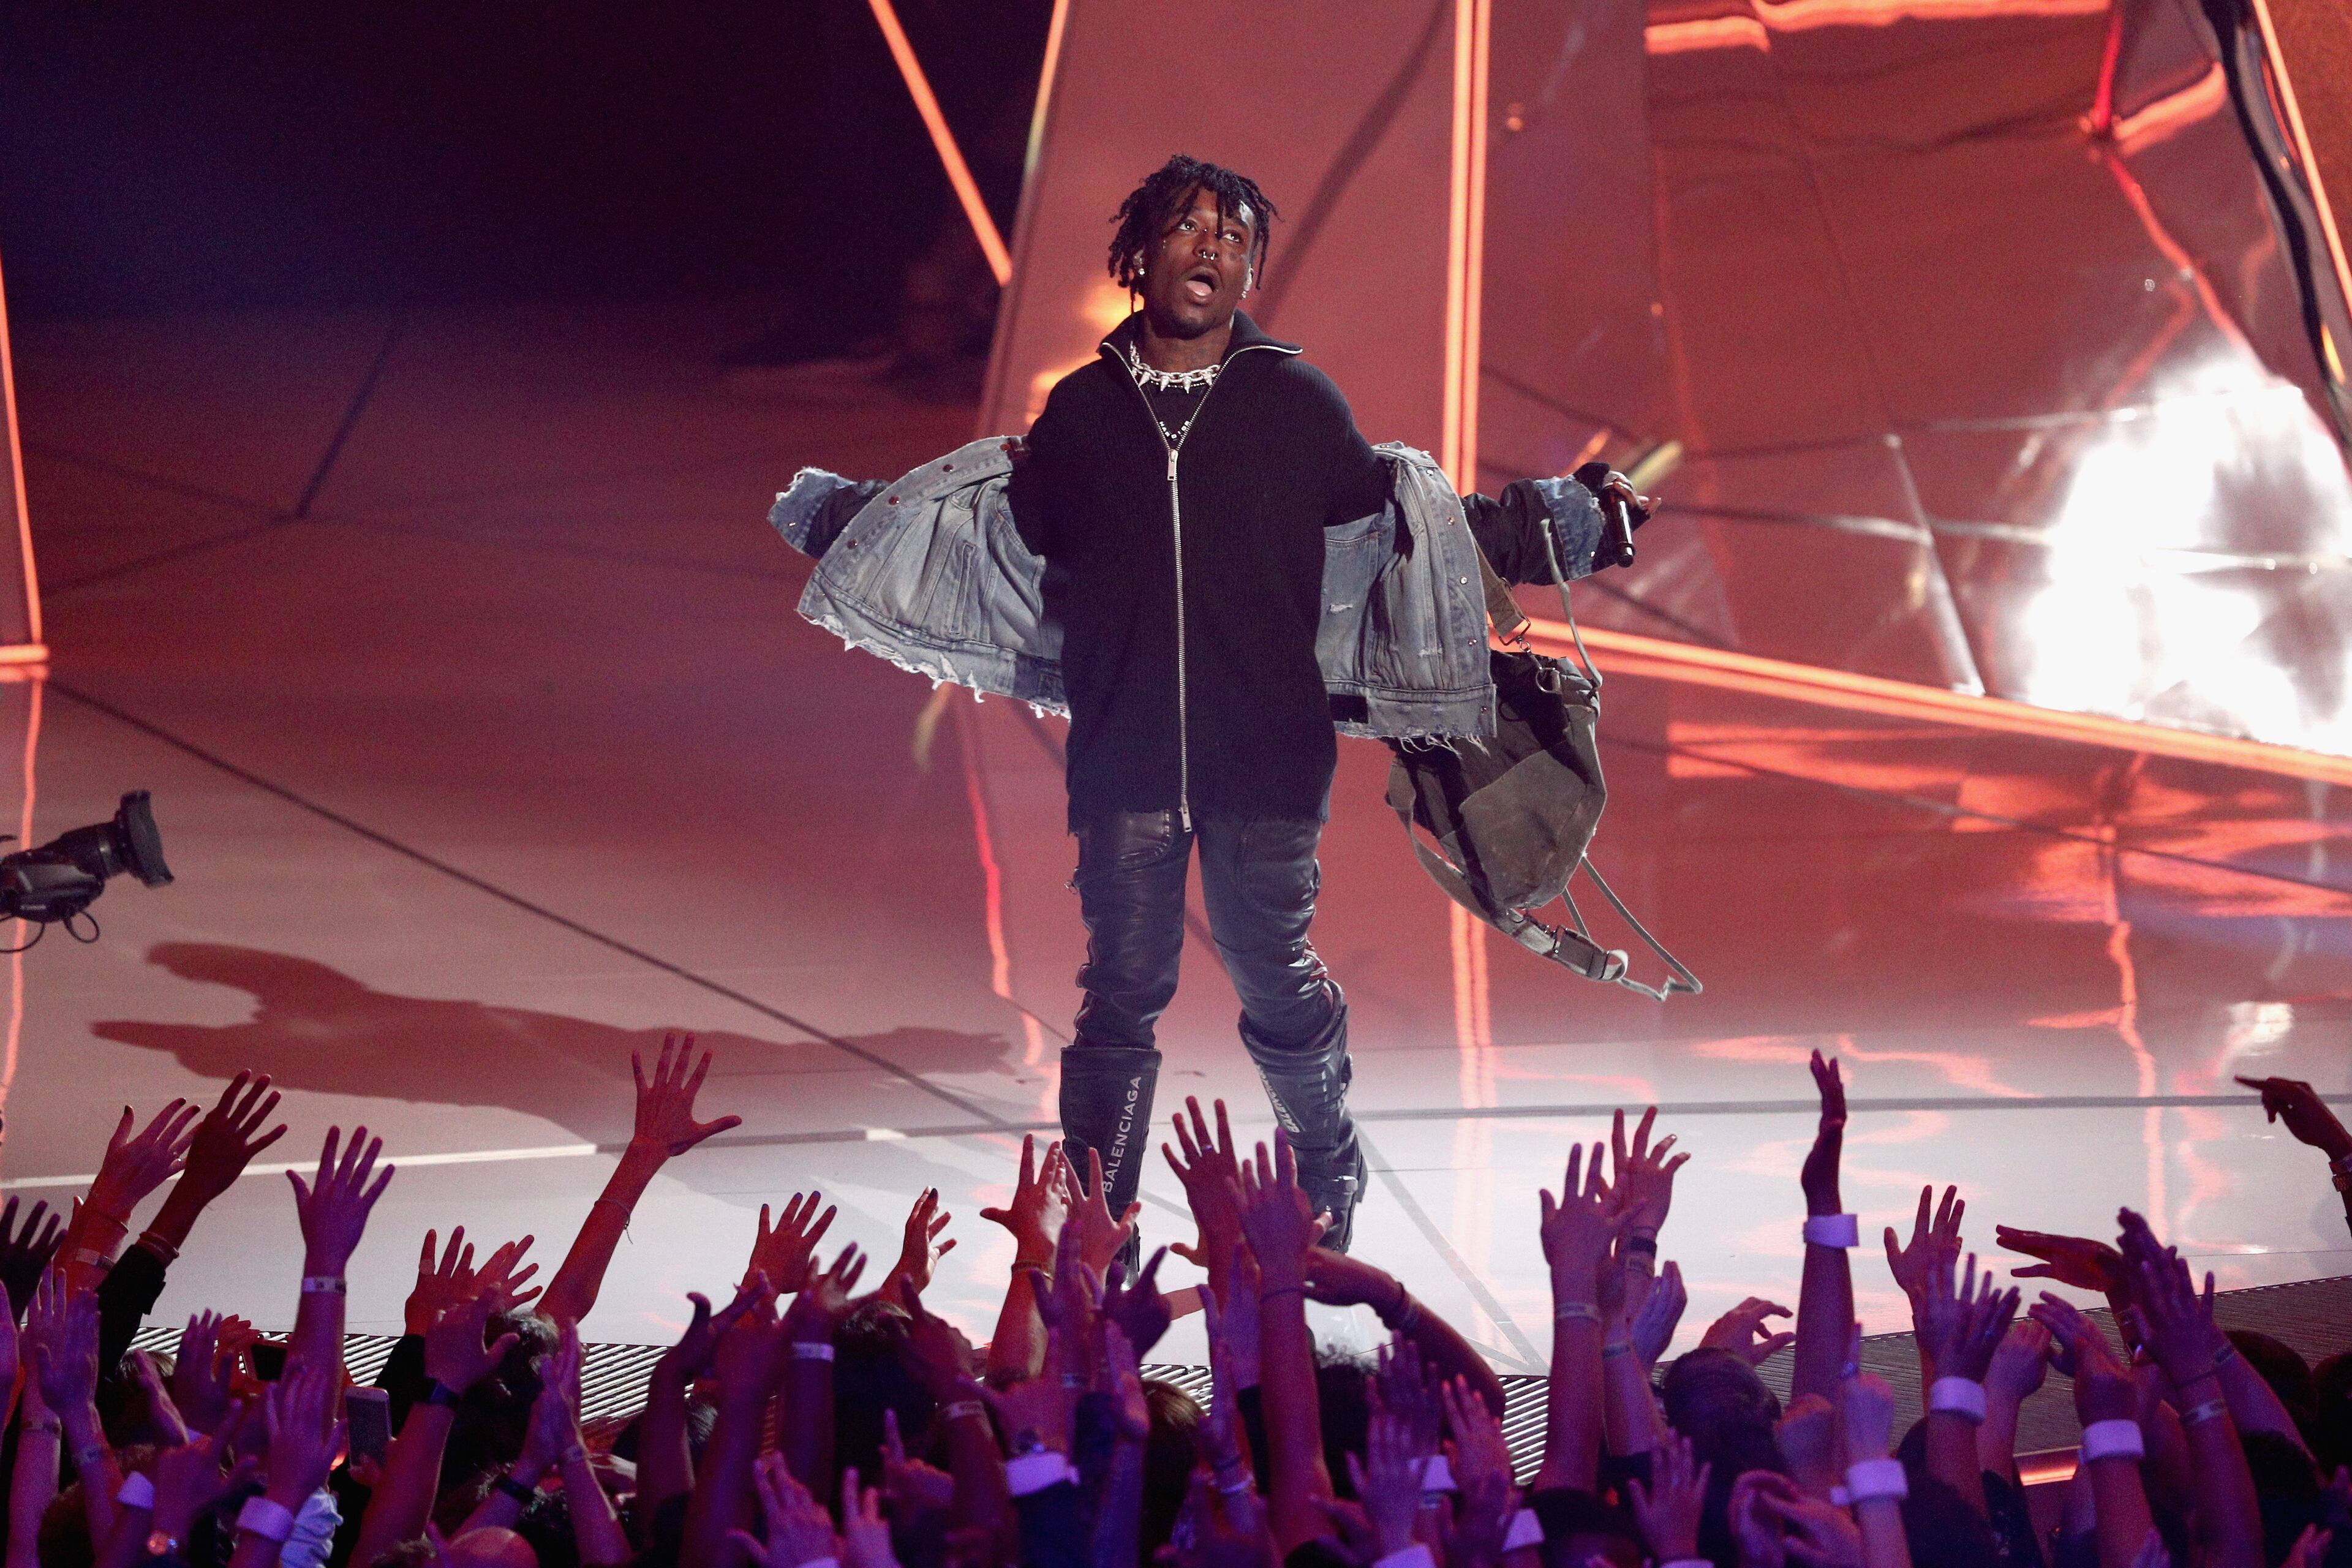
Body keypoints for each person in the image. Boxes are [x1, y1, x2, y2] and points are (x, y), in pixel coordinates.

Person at [772, 154, 1653, 1257]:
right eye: (1189, 230)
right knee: (1121, 994)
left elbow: (1411, 531)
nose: (1212, 251)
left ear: (1250, 273)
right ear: (1139, 255)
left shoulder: (1297, 403)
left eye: (1234, 239)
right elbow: (1001, 535)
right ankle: (1105, 1228)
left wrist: (1565, 524)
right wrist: (856, 518)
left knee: (1273, 972)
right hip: (1125, 761)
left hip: (1266, 762)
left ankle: (1329, 1180)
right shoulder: (1082, 412)